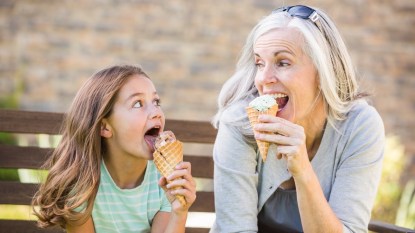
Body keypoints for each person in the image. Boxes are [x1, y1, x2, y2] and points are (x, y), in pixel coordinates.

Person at [211, 5, 384, 233]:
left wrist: (302, 170)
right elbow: (235, 229)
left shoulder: (359, 126)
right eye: (259, 63)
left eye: (283, 63)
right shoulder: (241, 122)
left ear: (324, 72)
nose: (264, 79)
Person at [32, 64, 196, 233]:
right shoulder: (82, 184)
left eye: (156, 102)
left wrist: (179, 212)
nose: (156, 112)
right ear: (105, 127)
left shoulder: (164, 179)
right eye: (138, 104)